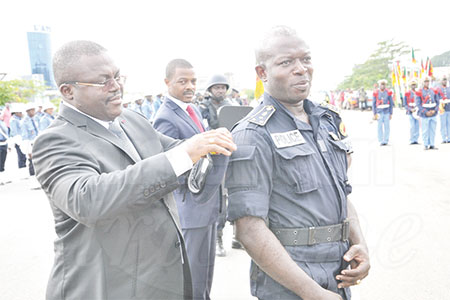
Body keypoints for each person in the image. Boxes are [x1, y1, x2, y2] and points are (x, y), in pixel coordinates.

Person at [32, 40, 236, 300]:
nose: (116, 86)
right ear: (68, 91)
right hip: (105, 288)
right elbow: (87, 200)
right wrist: (186, 153)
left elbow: (182, 154)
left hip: (159, 282)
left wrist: (218, 144)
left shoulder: (132, 121)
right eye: (103, 81)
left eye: (117, 76)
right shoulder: (56, 140)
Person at [225, 26, 369, 300]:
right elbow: (249, 230)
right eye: (286, 62)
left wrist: (359, 243)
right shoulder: (252, 135)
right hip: (290, 284)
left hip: (337, 274)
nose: (301, 69)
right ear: (262, 73)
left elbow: (341, 193)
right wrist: (312, 293)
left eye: (306, 59)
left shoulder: (326, 122)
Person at [153, 59, 227, 300]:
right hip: (191, 207)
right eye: (182, 81)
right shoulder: (166, 117)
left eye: (193, 81)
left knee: (205, 275)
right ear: (167, 83)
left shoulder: (192, 110)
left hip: (206, 205)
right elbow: (171, 168)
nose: (190, 86)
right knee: (193, 278)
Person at [416, 76, 440, 150]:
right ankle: (426, 144)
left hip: (433, 113)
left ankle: (432, 144)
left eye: (428, 81)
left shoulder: (433, 90)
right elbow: (418, 104)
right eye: (425, 82)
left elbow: (437, 102)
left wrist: (435, 110)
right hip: (424, 114)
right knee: (425, 130)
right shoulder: (419, 91)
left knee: (432, 130)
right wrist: (425, 112)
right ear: (422, 83)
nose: (427, 83)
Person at [372, 79, 393, 146]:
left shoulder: (388, 92)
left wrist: (391, 113)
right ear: (379, 85)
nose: (382, 86)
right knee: (379, 127)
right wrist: (374, 113)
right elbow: (374, 103)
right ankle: (381, 140)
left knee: (387, 127)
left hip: (386, 111)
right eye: (381, 84)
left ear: (385, 85)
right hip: (379, 112)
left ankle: (386, 140)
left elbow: (391, 103)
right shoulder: (376, 93)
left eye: (384, 84)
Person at [21, 103, 39, 177]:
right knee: (31, 161)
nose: (34, 112)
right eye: (32, 110)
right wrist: (28, 149)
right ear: (28, 111)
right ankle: (32, 177)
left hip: (36, 141)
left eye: (34, 110)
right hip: (29, 143)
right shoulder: (24, 121)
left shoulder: (34, 119)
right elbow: (25, 136)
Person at [9, 103, 27, 175]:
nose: (21, 114)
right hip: (18, 140)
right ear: (16, 112)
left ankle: (24, 168)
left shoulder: (20, 119)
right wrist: (19, 141)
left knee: (24, 155)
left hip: (22, 139)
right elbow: (15, 132)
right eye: (20, 112)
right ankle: (22, 171)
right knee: (21, 156)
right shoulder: (13, 120)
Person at [403, 79, 420, 144]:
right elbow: (405, 104)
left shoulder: (418, 92)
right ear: (410, 86)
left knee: (417, 126)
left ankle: (416, 139)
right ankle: (412, 139)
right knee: (412, 126)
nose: (413, 86)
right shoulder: (407, 93)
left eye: (414, 85)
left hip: (417, 111)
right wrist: (410, 109)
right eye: (412, 85)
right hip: (410, 111)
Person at [436, 76, 450, 143]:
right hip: (442, 109)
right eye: (443, 80)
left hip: (449, 108)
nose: (444, 81)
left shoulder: (449, 89)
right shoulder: (439, 89)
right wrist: (441, 101)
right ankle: (444, 138)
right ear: (441, 81)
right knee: (443, 124)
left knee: (449, 124)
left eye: (445, 80)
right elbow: (437, 98)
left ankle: (449, 138)